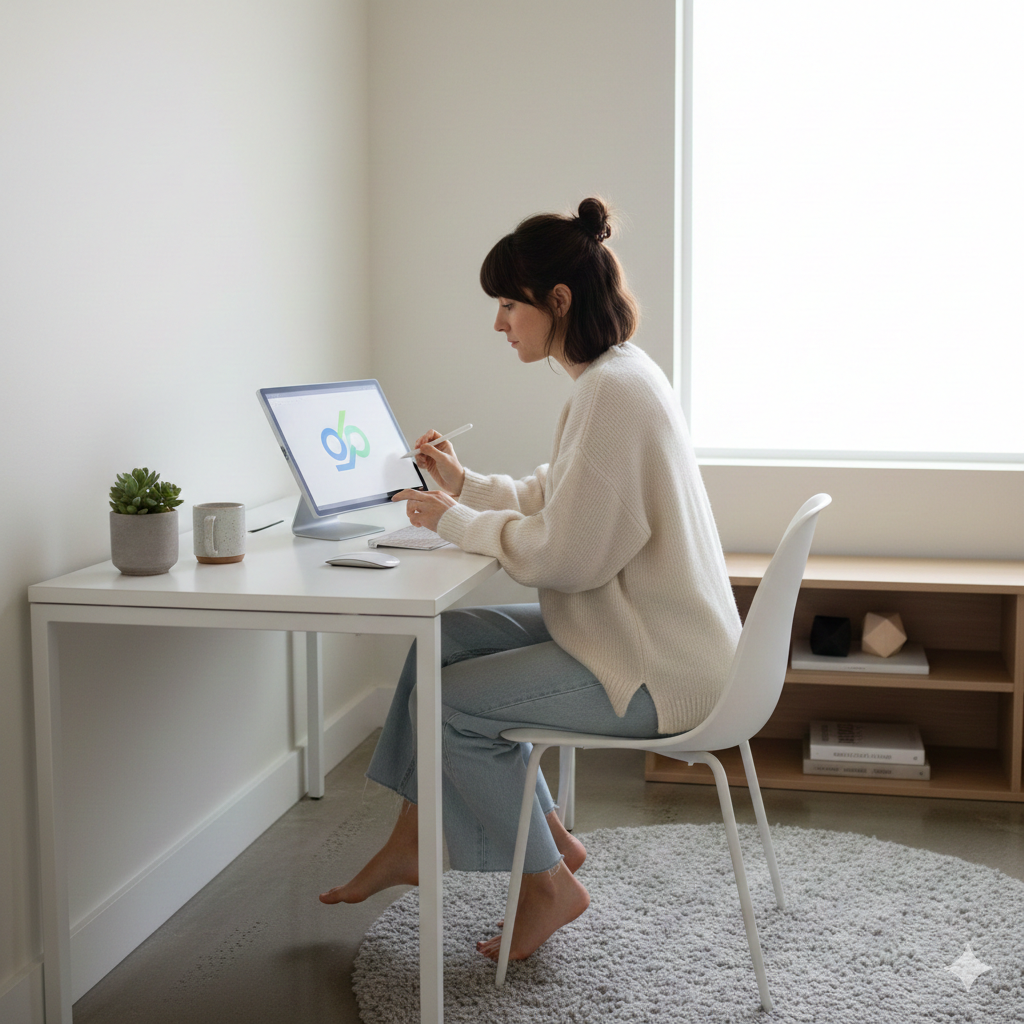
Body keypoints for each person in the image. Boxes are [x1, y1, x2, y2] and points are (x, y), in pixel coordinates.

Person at [319, 197, 742, 964]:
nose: (499, 323)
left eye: (509, 304)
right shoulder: (616, 377)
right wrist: (467, 485)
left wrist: (448, 518)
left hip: (658, 665)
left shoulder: (612, 393)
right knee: (439, 641)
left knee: (453, 710)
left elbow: (566, 556)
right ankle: (424, 840)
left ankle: (549, 885)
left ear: (558, 302)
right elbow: (566, 496)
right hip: (634, 630)